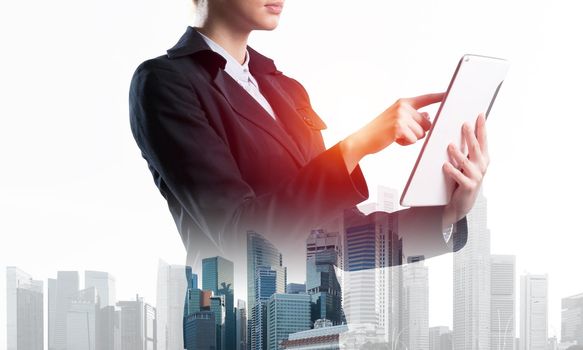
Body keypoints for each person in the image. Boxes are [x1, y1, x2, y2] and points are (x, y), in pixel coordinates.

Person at [129, 0, 488, 277]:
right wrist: (357, 145)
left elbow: (341, 240)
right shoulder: (165, 82)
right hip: (240, 326)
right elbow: (241, 238)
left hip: (317, 328)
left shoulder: (286, 89)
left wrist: (448, 212)